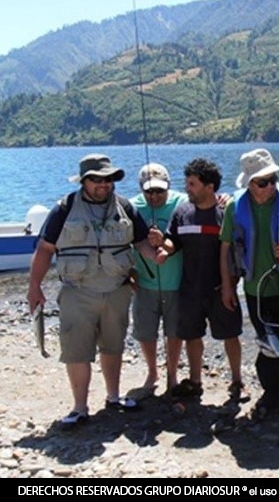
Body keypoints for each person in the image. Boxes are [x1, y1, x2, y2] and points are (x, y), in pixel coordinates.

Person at [27, 154, 167, 426]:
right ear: (84, 182)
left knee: (113, 346)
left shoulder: (125, 206)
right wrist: (34, 287)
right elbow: (45, 249)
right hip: (77, 291)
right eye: (96, 180)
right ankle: (80, 408)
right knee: (76, 350)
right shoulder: (64, 208)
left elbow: (141, 244)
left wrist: (156, 254)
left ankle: (113, 398)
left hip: (117, 290)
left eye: (108, 179)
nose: (103, 185)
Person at [220, 149, 279, 419]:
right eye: (263, 182)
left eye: (272, 179)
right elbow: (225, 249)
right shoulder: (234, 207)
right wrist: (227, 286)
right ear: (249, 183)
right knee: (267, 345)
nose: (270, 186)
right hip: (255, 288)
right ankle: (273, 393)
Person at [161, 158, 246, 403]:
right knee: (192, 335)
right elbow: (172, 242)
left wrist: (231, 283)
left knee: (231, 334)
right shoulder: (182, 212)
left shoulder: (226, 212)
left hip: (222, 288)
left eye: (192, 184)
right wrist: (162, 247)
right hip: (190, 289)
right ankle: (195, 381)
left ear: (210, 187)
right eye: (187, 183)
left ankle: (237, 380)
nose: (187, 188)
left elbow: (238, 249)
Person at [129, 163, 188, 394]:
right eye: (149, 191)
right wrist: (128, 272)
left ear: (169, 187)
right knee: (145, 331)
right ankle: (152, 371)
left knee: (174, 331)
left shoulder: (182, 203)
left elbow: (209, 200)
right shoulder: (131, 207)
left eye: (160, 191)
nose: (154, 196)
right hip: (144, 283)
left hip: (176, 282)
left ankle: (172, 374)